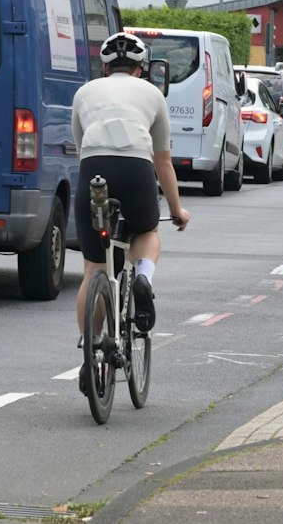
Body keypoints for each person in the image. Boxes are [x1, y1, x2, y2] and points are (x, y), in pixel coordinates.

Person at [70, 31, 190, 395]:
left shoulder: (84, 93)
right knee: (146, 233)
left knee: (94, 268)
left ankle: (89, 354)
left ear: (105, 68)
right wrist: (176, 209)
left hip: (94, 169)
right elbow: (163, 160)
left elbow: (80, 151)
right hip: (136, 170)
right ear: (141, 69)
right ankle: (143, 280)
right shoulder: (153, 94)